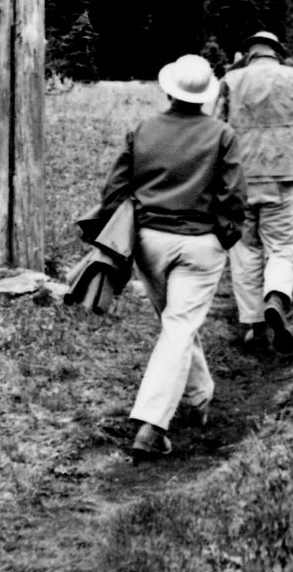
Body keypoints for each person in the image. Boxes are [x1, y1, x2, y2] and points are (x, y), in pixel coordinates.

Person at [100, 54, 246, 461]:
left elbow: (113, 190)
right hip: (201, 243)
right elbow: (234, 196)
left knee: (176, 324)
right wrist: (226, 234)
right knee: (180, 326)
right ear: (206, 96)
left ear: (168, 90)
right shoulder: (222, 134)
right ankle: (151, 424)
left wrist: (130, 226)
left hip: (149, 243)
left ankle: (200, 396)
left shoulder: (143, 130)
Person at [217, 31, 293, 362]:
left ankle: (254, 324)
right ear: (277, 52)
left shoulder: (231, 81)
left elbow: (214, 130)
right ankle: (275, 297)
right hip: (283, 179)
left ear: (249, 52)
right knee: (283, 247)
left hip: (240, 181)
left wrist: (220, 178)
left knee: (244, 250)